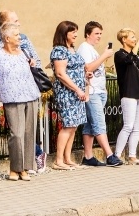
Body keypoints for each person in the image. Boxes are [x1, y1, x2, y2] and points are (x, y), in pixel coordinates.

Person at [0, 22, 40, 181]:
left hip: (31, 95)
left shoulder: (23, 51)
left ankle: (25, 168)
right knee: (16, 134)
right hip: (12, 98)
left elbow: (35, 63)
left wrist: (33, 62)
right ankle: (15, 168)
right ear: (7, 38)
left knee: (29, 133)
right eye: (16, 35)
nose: (20, 37)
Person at [77, 21, 122, 167]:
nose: (99, 36)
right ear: (88, 34)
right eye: (96, 33)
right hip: (92, 91)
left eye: (101, 34)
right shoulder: (84, 48)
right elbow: (88, 67)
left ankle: (88, 156)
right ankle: (110, 155)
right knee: (99, 122)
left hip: (99, 90)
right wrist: (104, 56)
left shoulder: (92, 49)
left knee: (90, 124)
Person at [50, 21, 89, 170]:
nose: (75, 35)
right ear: (64, 33)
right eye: (72, 32)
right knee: (68, 125)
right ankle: (58, 160)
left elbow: (77, 69)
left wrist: (85, 77)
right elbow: (60, 73)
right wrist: (77, 89)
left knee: (73, 125)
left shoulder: (72, 49)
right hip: (67, 92)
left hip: (77, 92)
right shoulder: (59, 50)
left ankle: (67, 157)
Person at [114, 28, 139, 165]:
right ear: (124, 39)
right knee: (128, 126)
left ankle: (132, 156)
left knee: (137, 127)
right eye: (132, 37)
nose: (135, 39)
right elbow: (128, 60)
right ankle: (117, 155)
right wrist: (136, 47)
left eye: (135, 37)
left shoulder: (136, 56)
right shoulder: (119, 55)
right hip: (128, 93)